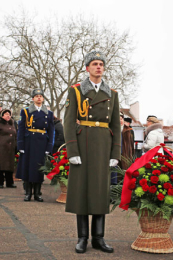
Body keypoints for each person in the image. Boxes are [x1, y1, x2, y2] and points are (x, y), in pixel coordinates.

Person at [64, 51, 121, 254]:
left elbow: (116, 125)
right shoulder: (77, 90)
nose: (99, 67)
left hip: (103, 145)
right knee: (81, 191)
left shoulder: (112, 93)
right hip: (83, 142)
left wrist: (115, 153)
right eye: (94, 64)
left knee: (100, 191)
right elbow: (69, 121)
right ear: (87, 68)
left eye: (101, 64)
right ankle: (82, 238)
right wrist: (72, 149)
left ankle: (99, 237)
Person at [16, 89, 54, 202]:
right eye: (36, 96)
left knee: (39, 168)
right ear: (33, 99)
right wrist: (20, 145)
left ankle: (37, 193)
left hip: (42, 142)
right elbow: (21, 129)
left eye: (40, 96)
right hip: (29, 142)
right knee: (27, 167)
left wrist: (49, 146)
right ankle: (28, 193)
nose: (38, 98)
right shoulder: (26, 112)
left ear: (43, 99)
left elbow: (51, 131)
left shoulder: (49, 113)